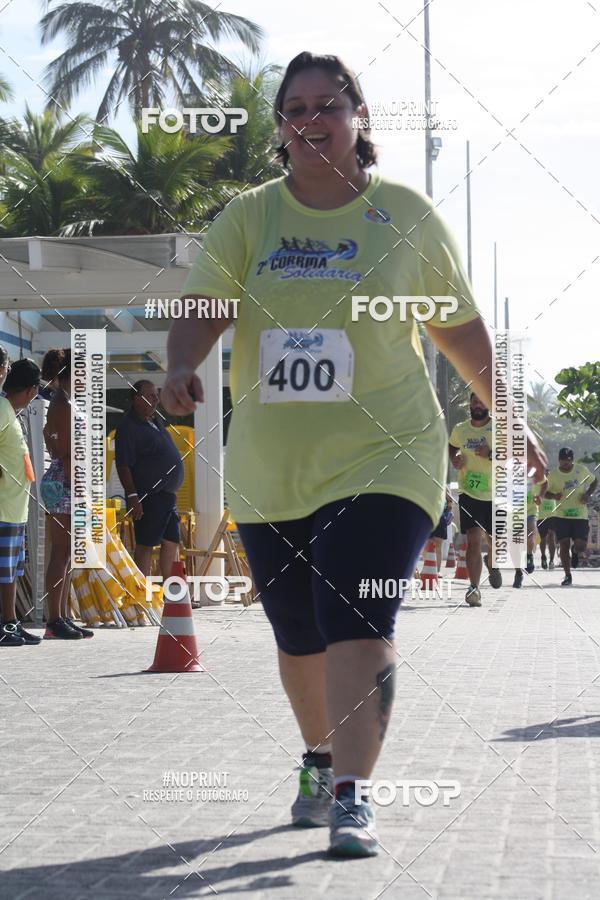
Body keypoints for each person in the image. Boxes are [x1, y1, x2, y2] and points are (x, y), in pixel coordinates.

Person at [161, 51, 546, 858]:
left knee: (356, 611)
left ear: (359, 117)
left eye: (327, 105)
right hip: (275, 468)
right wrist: (178, 364)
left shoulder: (404, 213)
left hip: (390, 452)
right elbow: (203, 306)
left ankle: (353, 792)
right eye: (294, 108)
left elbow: (456, 325)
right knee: (299, 631)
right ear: (279, 128)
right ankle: (318, 759)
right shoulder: (249, 218)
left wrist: (510, 415)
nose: (310, 120)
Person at [39, 349, 92, 639]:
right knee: (61, 552)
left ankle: (62, 615)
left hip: (70, 478)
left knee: (69, 553)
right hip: (66, 481)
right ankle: (54, 619)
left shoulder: (66, 400)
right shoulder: (61, 402)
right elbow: (63, 450)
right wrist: (77, 483)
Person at [114, 380, 184, 580]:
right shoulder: (128, 428)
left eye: (156, 396)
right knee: (146, 544)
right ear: (137, 398)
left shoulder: (154, 420)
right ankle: (142, 594)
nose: (156, 400)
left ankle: (170, 593)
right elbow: (123, 464)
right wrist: (133, 496)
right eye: (151, 396)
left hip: (167, 496)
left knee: (172, 541)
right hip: (148, 495)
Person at [0, 359, 42, 646]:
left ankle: (10, 623)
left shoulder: (9, 411)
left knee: (11, 572)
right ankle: (6, 625)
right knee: (4, 572)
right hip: (4, 509)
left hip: (15, 510)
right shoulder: (2, 410)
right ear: (32, 390)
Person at [449, 393, 505, 603]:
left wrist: (490, 454)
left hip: (497, 493)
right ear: (470, 404)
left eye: (481, 401)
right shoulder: (460, 429)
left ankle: (493, 563)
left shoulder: (500, 428)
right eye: (474, 401)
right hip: (469, 492)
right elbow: (452, 446)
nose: (477, 405)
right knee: (473, 539)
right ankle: (474, 589)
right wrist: (453, 459)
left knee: (496, 541)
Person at [546, 447, 597, 585]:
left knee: (581, 546)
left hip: (580, 515)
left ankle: (575, 551)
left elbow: (594, 481)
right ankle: (568, 575)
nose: (565, 463)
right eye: (563, 461)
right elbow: (545, 492)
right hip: (561, 515)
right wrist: (553, 496)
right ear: (559, 460)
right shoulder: (553, 475)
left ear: (572, 460)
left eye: (568, 461)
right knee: (563, 544)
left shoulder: (581, 470)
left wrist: (588, 494)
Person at [429, 489, 453, 574]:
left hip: (439, 519)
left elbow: (450, 503)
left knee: (435, 546)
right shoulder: (444, 488)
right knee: (431, 546)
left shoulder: (444, 488)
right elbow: (450, 504)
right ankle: (433, 570)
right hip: (433, 518)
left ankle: (437, 570)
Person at [537, 472, 557, 569]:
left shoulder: (553, 485)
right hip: (540, 515)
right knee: (543, 539)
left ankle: (552, 560)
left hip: (552, 515)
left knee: (552, 537)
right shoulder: (538, 485)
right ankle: (543, 556)